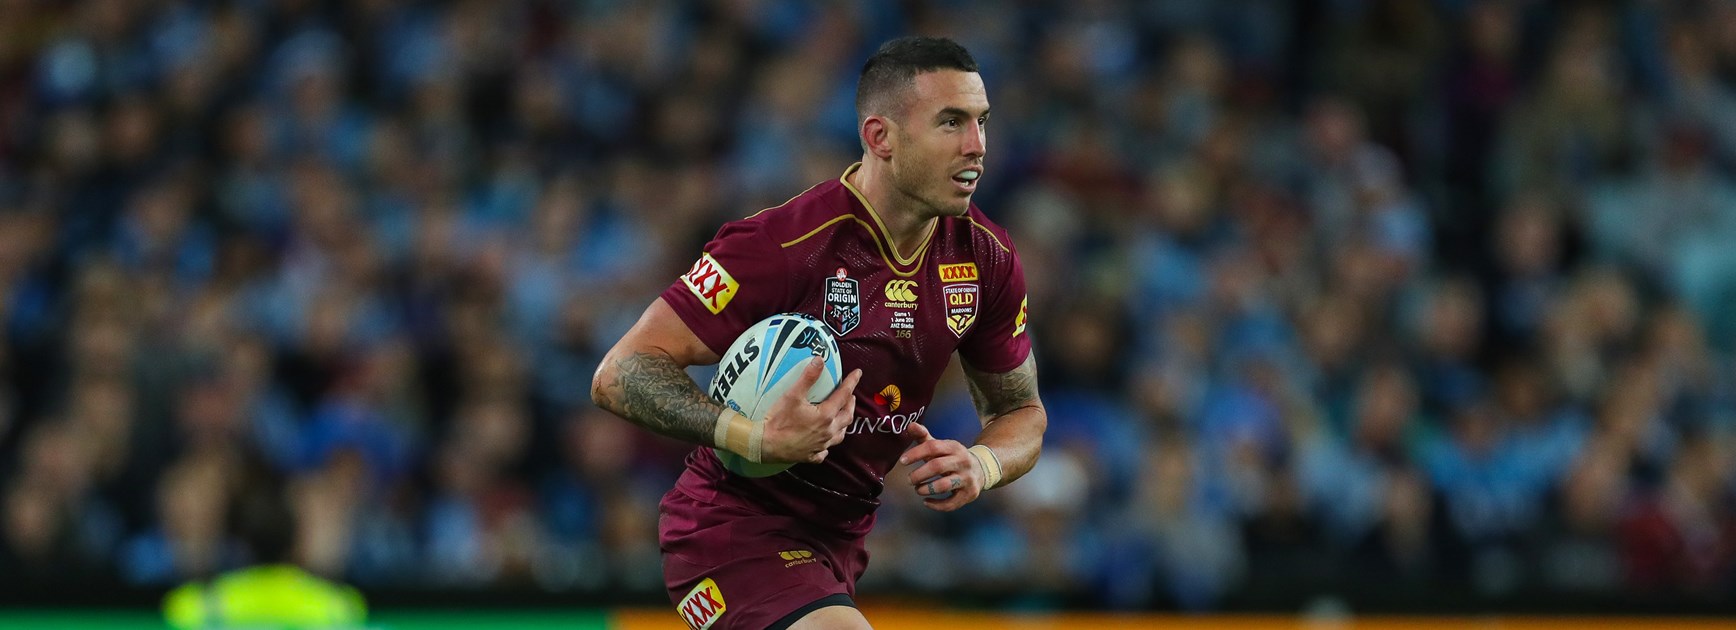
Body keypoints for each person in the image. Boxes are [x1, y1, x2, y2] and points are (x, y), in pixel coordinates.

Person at [592, 36, 1047, 630]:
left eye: (982, 122)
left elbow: (1023, 412)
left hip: (840, 543)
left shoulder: (986, 258)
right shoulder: (781, 247)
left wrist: (981, 465)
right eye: (951, 123)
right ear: (881, 137)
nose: (977, 147)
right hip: (730, 529)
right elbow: (620, 372)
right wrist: (753, 437)